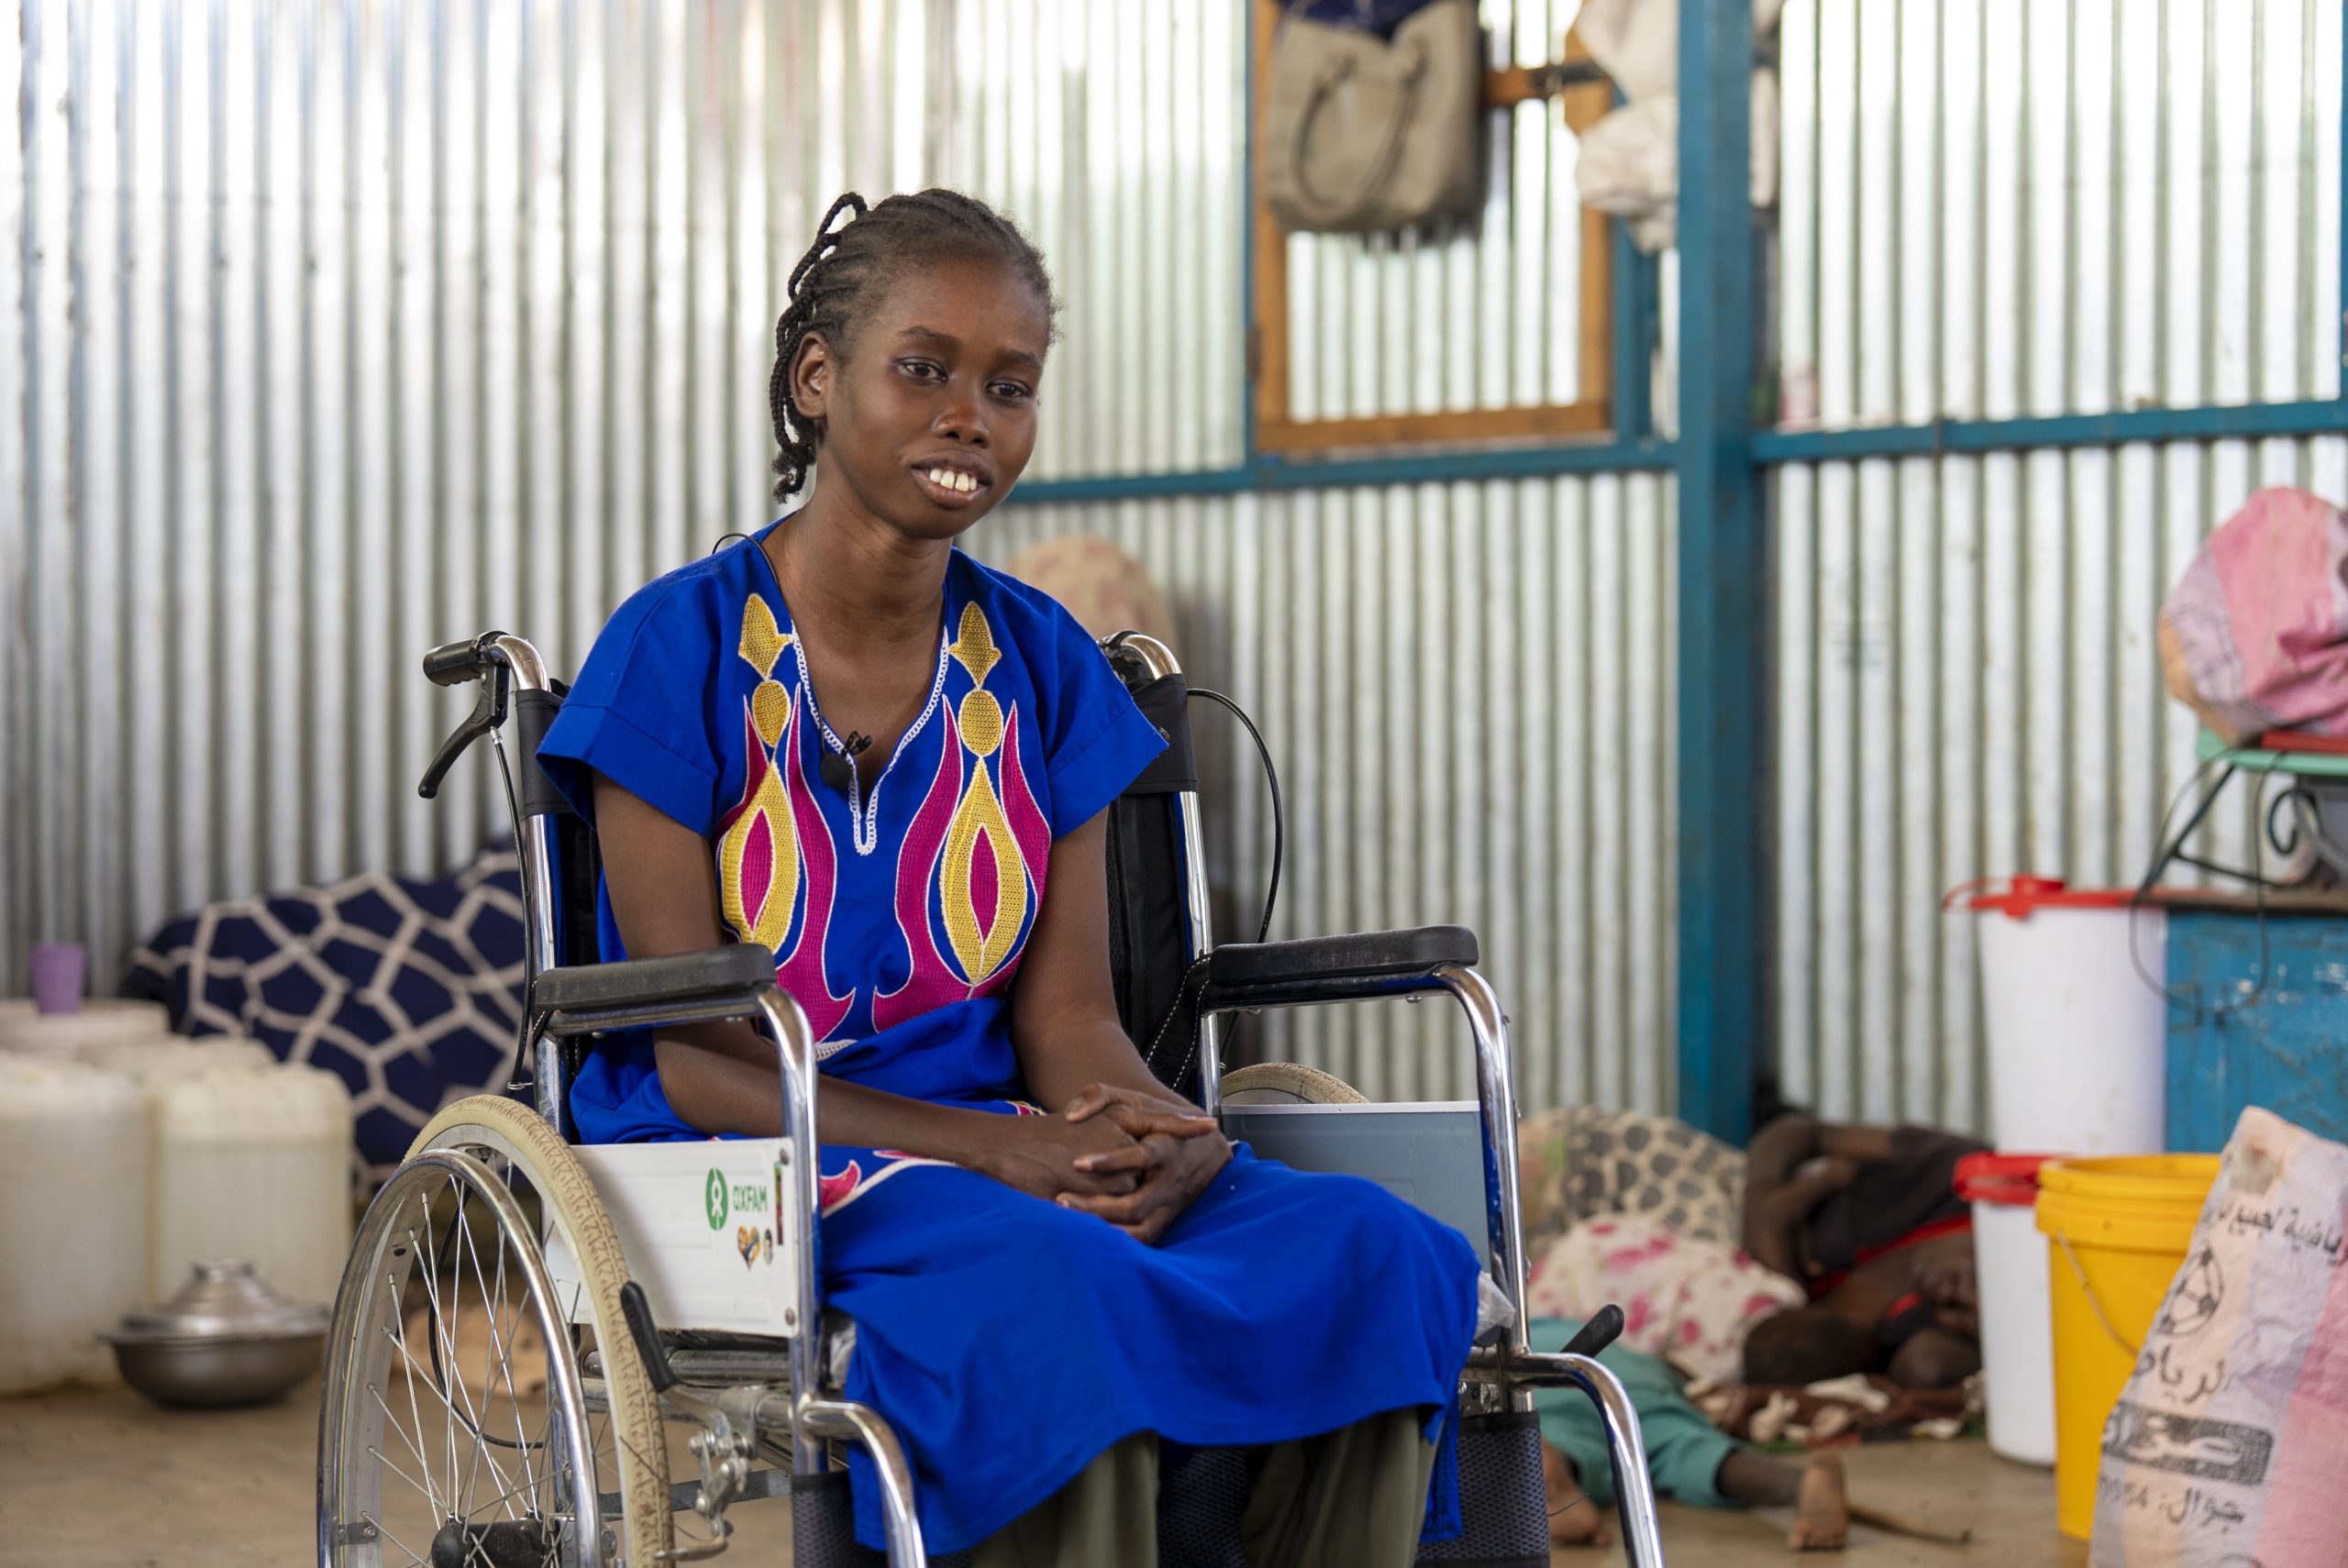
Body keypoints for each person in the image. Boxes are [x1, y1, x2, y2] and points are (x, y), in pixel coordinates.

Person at [537, 189, 1483, 1567]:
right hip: (753, 1151)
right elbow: (699, 1059)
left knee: (1373, 1248)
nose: (968, 414)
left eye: (1010, 384)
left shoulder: (1042, 664)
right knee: (1066, 1276)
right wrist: (1007, 1149)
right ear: (819, 379)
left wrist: (1160, 1131)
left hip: (1002, 1137)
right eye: (923, 367)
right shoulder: (673, 650)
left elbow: (1070, 1025)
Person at [1531, 1315, 1851, 1552]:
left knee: (1556, 1427)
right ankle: (1797, 1482)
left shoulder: (1537, 1320)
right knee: (1682, 1447)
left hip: (1545, 1368)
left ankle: (1552, 1464)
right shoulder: (1641, 1358)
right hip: (1621, 1374)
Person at [1739, 1115, 1988, 1389]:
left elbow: (1927, 1366)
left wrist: (1762, 1217)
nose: (1971, 1297)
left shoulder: (1795, 1246)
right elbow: (1792, 1132)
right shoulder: (1963, 1176)